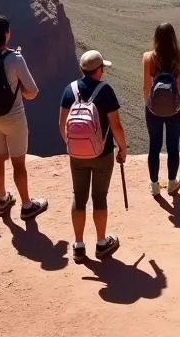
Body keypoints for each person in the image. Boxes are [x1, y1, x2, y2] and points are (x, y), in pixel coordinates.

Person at [58, 50, 127, 263]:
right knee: (99, 197)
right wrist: (122, 149)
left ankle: (78, 246)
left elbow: (62, 125)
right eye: (102, 68)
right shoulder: (105, 91)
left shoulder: (69, 90)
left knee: (78, 197)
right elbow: (115, 126)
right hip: (102, 154)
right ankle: (100, 243)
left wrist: (73, 146)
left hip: (76, 155)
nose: (103, 71)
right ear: (98, 70)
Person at [0, 15, 47, 220]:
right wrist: (20, 90)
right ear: (6, 34)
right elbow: (32, 91)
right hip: (14, 118)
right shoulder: (15, 58)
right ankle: (27, 206)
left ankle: (2, 198)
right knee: (18, 163)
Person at [142, 22, 180, 197]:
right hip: (175, 111)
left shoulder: (148, 58)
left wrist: (150, 107)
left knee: (154, 146)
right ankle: (172, 183)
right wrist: (177, 107)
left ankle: (154, 185)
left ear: (156, 38)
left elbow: (146, 87)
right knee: (173, 146)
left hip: (153, 110)